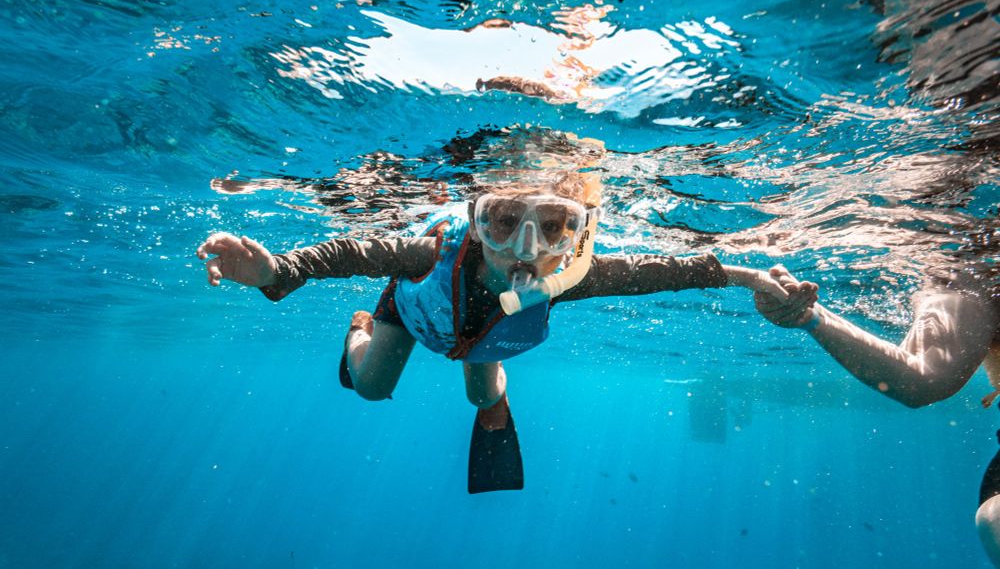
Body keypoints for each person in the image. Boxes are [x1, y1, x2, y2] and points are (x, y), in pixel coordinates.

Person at [197, 171, 802, 493]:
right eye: (505, 222)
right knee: (371, 386)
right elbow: (349, 251)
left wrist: (750, 276)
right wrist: (276, 271)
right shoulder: (426, 254)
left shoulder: (569, 278)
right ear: (477, 222)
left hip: (478, 338)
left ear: (576, 234)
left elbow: (663, 271)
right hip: (416, 315)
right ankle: (357, 331)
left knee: (483, 395)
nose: (526, 249)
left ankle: (492, 397)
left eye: (553, 229)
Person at [753, 264, 1000, 566]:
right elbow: (919, 382)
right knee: (926, 380)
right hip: (975, 275)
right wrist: (806, 315)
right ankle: (809, 316)